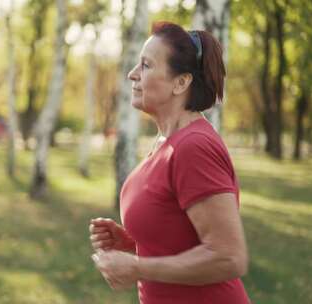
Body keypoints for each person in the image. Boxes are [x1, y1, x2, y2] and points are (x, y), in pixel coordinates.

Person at [89, 21, 250, 304]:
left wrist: (138, 267)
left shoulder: (194, 147)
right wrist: (136, 242)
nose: (132, 74)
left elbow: (229, 257)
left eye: (146, 65)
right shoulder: (166, 142)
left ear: (181, 82)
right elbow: (182, 234)